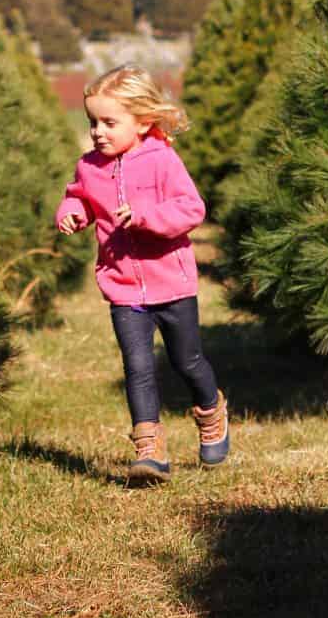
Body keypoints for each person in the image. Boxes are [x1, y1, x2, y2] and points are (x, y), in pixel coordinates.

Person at [55, 65, 230, 484]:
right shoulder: (89, 167)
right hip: (123, 288)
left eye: (109, 122)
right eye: (92, 122)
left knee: (186, 361)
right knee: (137, 367)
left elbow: (192, 209)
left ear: (142, 121)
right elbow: (77, 198)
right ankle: (149, 452)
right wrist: (73, 214)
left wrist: (148, 217)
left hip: (172, 285)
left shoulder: (162, 160)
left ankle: (211, 412)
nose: (98, 131)